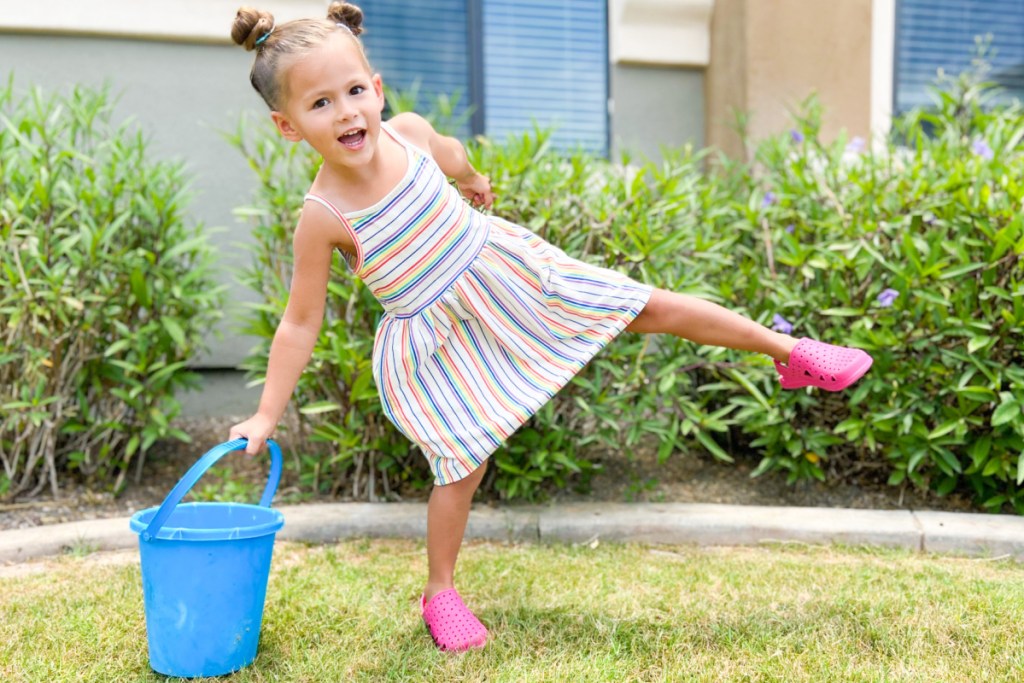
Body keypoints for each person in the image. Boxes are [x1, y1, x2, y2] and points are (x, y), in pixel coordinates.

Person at [227, 2, 874, 653]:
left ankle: (790, 350)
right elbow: (299, 323)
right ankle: (440, 590)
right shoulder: (324, 214)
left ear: (378, 88)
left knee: (643, 304)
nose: (347, 112)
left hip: (512, 276)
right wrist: (265, 414)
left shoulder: (410, 135)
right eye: (321, 104)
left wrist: (474, 178)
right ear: (287, 126)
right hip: (442, 340)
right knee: (462, 463)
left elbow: (451, 156)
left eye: (356, 90)